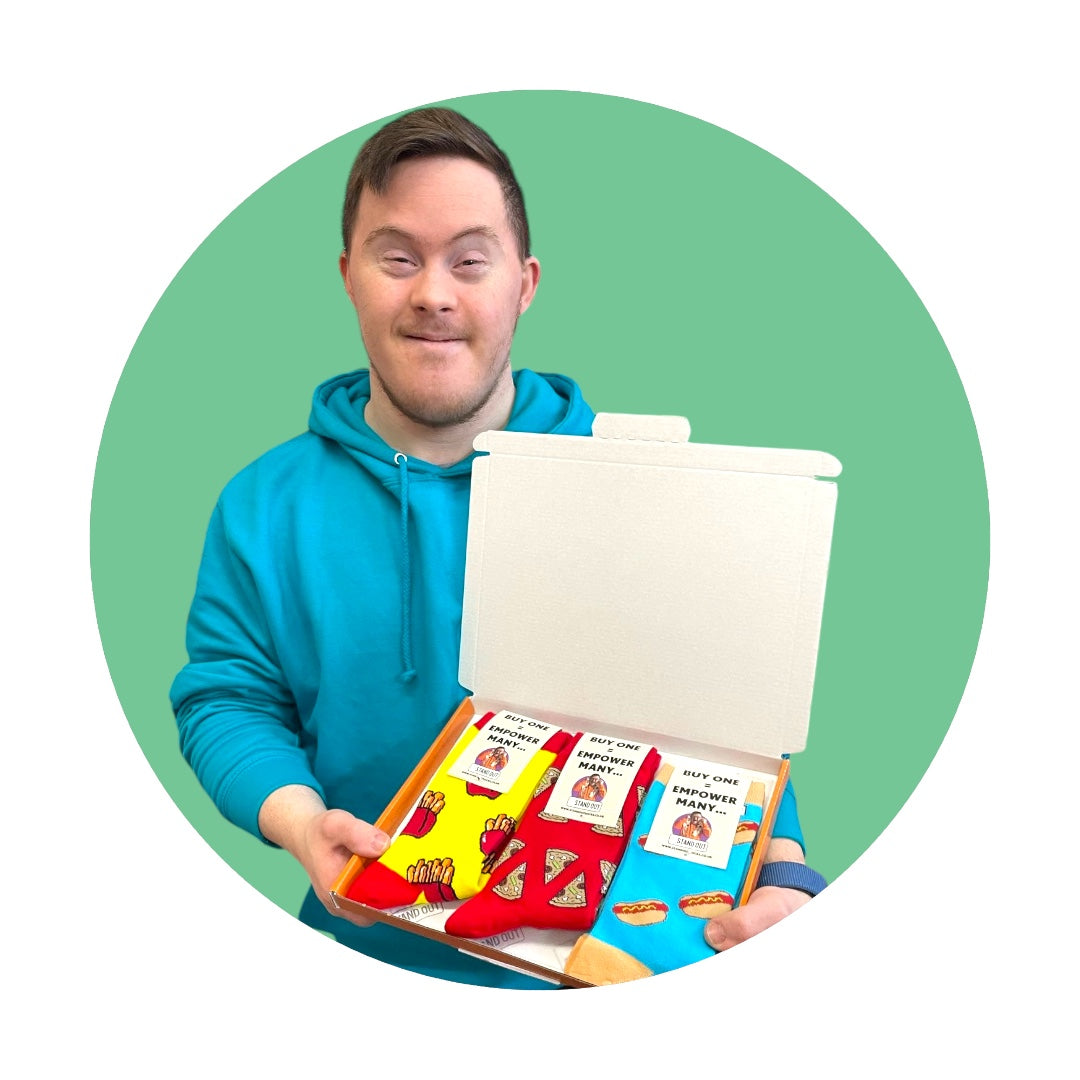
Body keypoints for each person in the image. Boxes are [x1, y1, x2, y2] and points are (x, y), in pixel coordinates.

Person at [169, 106, 826, 989]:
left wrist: (781, 864)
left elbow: (723, 717)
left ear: (524, 282)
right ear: (348, 276)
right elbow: (228, 698)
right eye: (397, 257)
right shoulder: (262, 506)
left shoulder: (643, 483)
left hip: (611, 969)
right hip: (356, 965)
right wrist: (296, 819)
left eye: (469, 261)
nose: (433, 293)